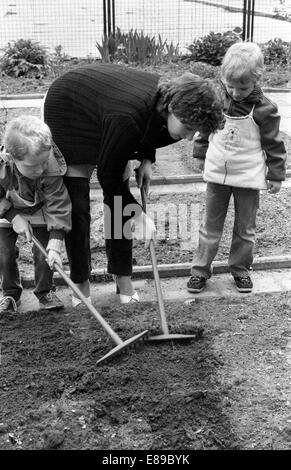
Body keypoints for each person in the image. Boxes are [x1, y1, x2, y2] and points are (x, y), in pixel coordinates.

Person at [43, 63, 224, 305]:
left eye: (197, 132)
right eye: (189, 128)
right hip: (69, 109)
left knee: (119, 207)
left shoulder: (167, 104)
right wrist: (137, 214)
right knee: (78, 207)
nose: (190, 137)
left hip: (110, 115)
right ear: (171, 107)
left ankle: (123, 278)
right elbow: (107, 176)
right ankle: (81, 282)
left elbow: (150, 125)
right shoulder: (128, 117)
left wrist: (147, 159)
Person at [187, 42, 287, 294]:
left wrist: (275, 175)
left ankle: (240, 269)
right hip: (217, 174)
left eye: (242, 87)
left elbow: (274, 145)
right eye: (230, 86)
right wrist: (200, 153)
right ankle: (200, 270)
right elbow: (205, 128)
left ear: (256, 79)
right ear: (223, 79)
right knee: (210, 225)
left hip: (248, 177)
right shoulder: (219, 99)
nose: (235, 92)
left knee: (245, 228)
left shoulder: (265, 108)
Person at [0, 115, 72, 314]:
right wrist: (14, 217)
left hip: (41, 211)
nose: (41, 169)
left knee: (44, 255)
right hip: (7, 210)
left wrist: (56, 243)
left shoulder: (49, 168)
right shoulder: (2, 166)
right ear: (12, 158)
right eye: (34, 166)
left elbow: (58, 204)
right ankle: (10, 293)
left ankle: (45, 291)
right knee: (3, 252)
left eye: (44, 162)